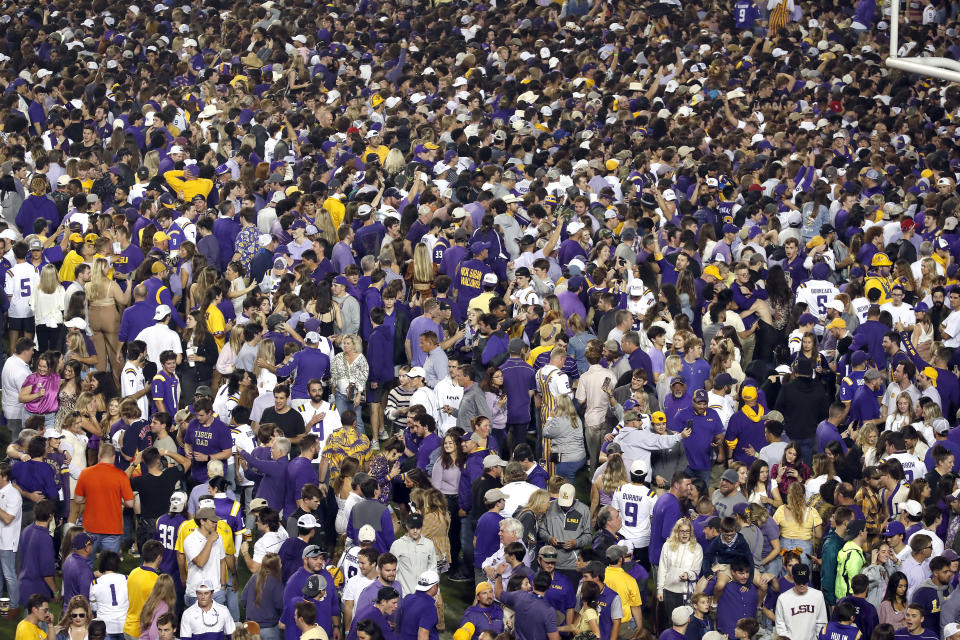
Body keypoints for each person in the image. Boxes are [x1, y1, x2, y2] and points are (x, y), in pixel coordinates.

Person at [68, 442, 135, 556]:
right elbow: (130, 503)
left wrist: (90, 498)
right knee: (110, 565)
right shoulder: (121, 476)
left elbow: (78, 499)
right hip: (113, 528)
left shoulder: (85, 473)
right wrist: (117, 499)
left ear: (99, 456)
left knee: (86, 563)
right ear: (114, 457)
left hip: (90, 526)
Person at [497, 571, 560, 640]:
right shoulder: (549, 611)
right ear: (549, 587)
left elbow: (498, 594)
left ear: (533, 583)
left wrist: (499, 575)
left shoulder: (519, 595)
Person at [775, 564, 828, 640]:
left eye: (804, 582)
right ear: (793, 578)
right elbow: (780, 627)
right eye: (799, 582)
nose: (802, 585)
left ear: (808, 578)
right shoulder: (783, 599)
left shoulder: (818, 595)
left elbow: (822, 622)